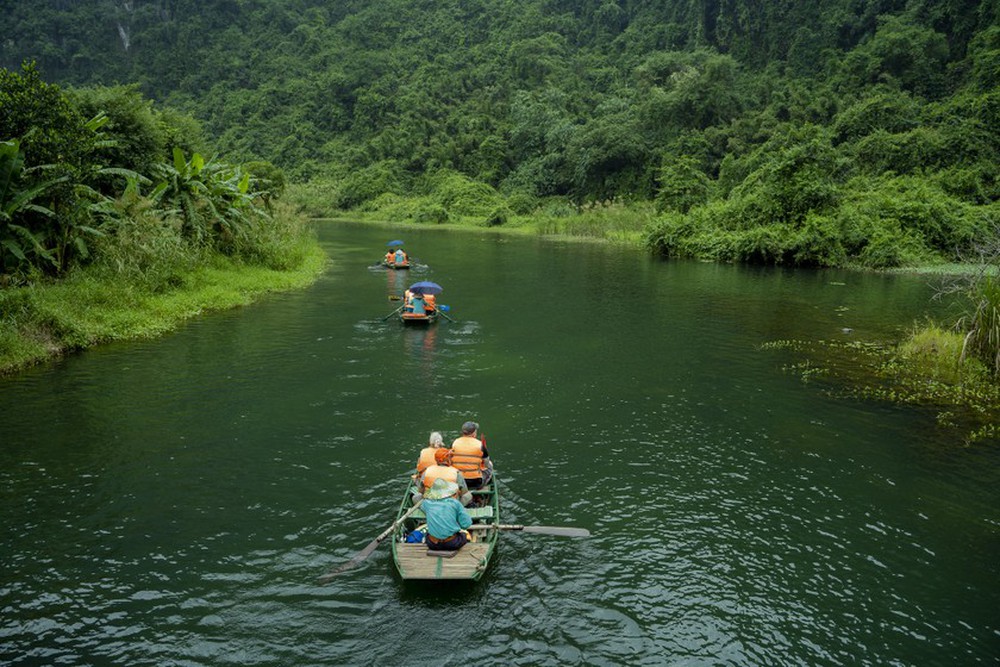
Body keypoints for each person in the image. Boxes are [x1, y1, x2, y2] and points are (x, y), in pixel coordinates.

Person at [421, 478, 473, 552]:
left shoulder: (426, 503)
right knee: (464, 536)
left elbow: (423, 506)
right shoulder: (455, 503)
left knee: (427, 534)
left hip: (432, 544)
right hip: (452, 544)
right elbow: (466, 524)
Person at [451, 421, 493, 490]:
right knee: (490, 465)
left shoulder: (455, 443)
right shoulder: (480, 444)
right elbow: (486, 463)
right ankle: (481, 488)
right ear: (474, 433)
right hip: (475, 482)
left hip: (458, 481)